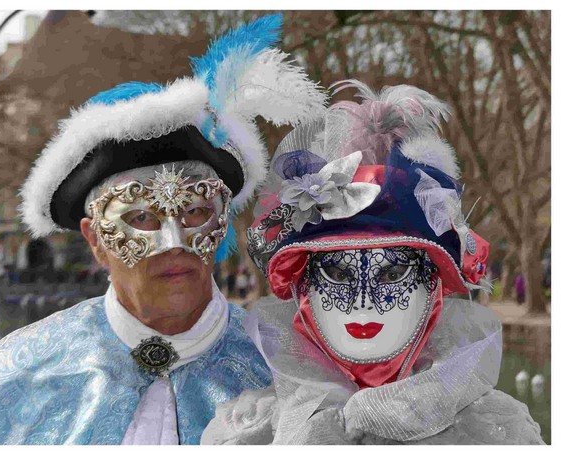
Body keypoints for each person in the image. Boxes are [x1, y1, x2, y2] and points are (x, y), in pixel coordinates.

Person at [0, 14, 327, 445]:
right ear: (95, 240)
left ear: (222, 220)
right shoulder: (16, 378)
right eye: (141, 218)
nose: (174, 244)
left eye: (194, 212)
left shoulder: (291, 369)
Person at [202, 81, 544, 444]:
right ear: (303, 289)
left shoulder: (494, 435)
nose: (363, 302)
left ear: (434, 287)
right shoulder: (248, 435)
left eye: (393, 273)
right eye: (336, 273)